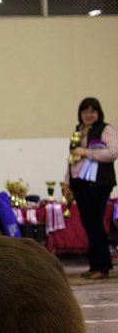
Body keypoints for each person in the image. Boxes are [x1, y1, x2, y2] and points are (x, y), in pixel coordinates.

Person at [62, 97, 118, 280]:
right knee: (89, 224)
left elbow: (113, 152)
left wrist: (87, 152)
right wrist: (67, 182)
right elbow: (72, 158)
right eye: (85, 111)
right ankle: (97, 265)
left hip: (98, 183)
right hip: (80, 183)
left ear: (98, 113)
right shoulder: (77, 131)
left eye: (92, 111)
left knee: (95, 223)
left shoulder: (105, 129)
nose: (88, 115)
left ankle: (101, 266)